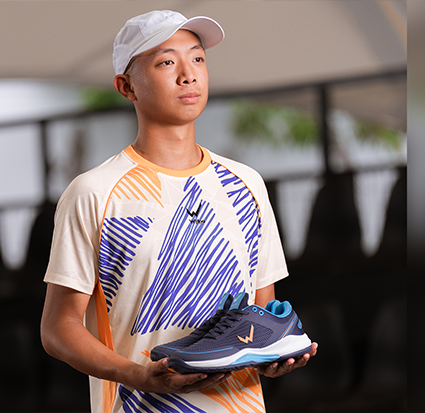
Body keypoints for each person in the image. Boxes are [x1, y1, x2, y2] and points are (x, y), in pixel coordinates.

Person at [40, 9, 317, 413]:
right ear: (126, 86)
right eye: (167, 62)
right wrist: (137, 375)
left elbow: (259, 316)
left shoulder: (246, 184)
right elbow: (58, 328)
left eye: (198, 58)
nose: (188, 75)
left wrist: (272, 356)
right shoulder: (93, 193)